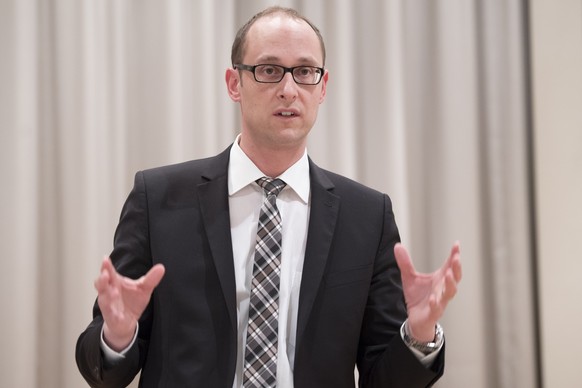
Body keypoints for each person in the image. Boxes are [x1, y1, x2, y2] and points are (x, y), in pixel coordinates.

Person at [75, 6, 462, 388]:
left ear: (322, 87)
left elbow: (385, 379)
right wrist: (118, 336)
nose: (289, 89)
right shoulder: (158, 200)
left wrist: (419, 332)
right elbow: (103, 371)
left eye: (305, 71)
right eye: (269, 70)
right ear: (234, 83)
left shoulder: (367, 216)